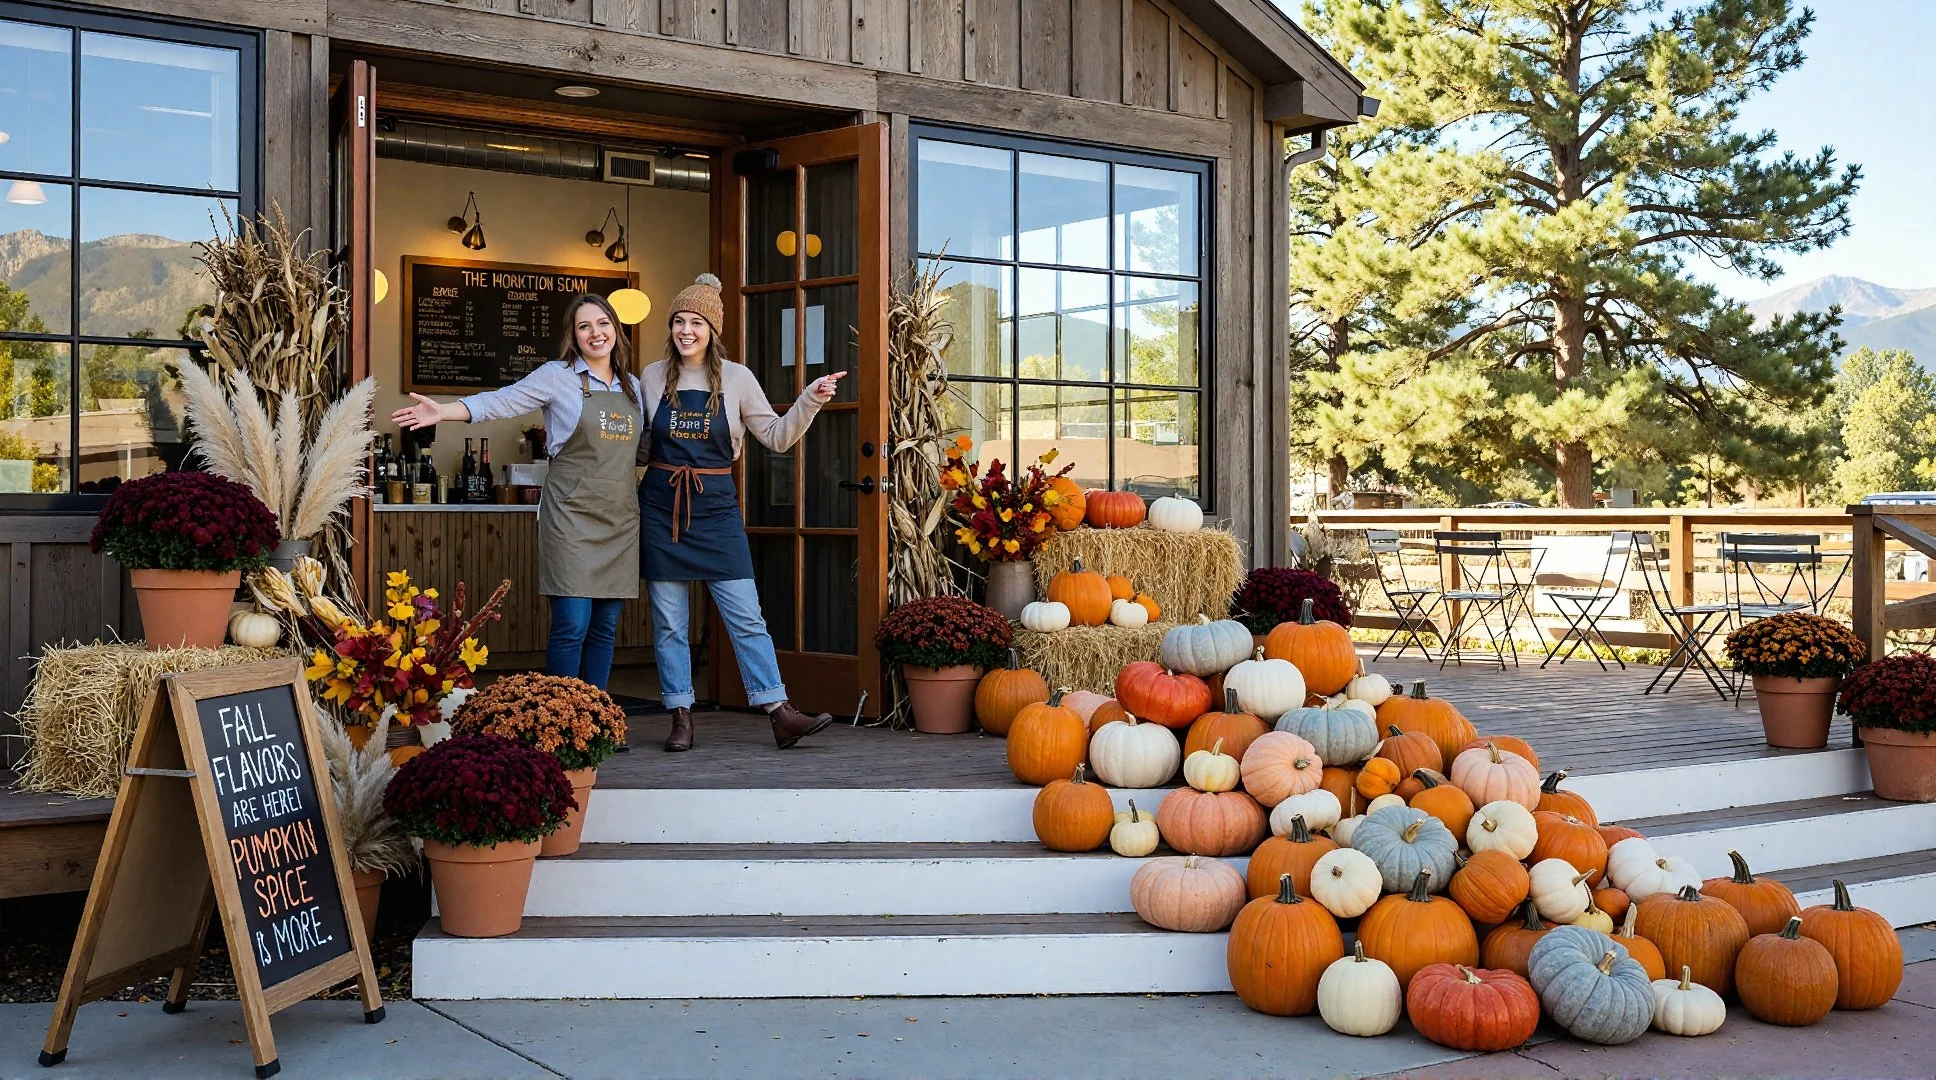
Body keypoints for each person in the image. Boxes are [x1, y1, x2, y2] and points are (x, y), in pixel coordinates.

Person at [391, 293, 641, 691]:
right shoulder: (557, 377)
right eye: (584, 326)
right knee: (572, 623)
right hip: (571, 517)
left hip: (620, 520)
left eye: (603, 323)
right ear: (573, 338)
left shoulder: (635, 390)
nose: (596, 333)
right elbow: (500, 401)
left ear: (616, 329)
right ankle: (561, 717)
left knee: (605, 626)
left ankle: (598, 718)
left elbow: (647, 449)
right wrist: (444, 410)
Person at [640, 273, 842, 752]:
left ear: (712, 330)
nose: (686, 331)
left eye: (697, 322)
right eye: (679, 321)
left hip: (715, 510)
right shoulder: (650, 377)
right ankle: (681, 715)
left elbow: (775, 436)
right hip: (661, 508)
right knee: (669, 622)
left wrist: (809, 400)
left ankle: (777, 710)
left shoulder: (737, 378)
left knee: (746, 616)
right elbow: (635, 443)